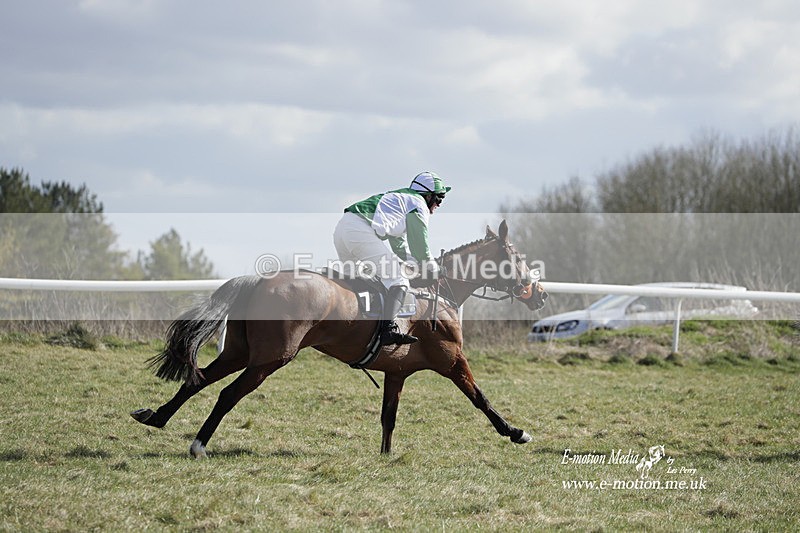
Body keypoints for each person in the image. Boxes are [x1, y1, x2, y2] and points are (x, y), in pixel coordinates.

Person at [333, 171, 451, 346]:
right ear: (427, 196)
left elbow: (400, 247)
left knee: (360, 280)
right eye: (439, 198)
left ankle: (353, 329)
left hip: (343, 228)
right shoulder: (418, 204)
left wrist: (415, 265)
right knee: (398, 280)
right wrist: (433, 268)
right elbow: (420, 246)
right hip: (358, 231)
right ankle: (388, 330)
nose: (439, 204)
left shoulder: (402, 201)